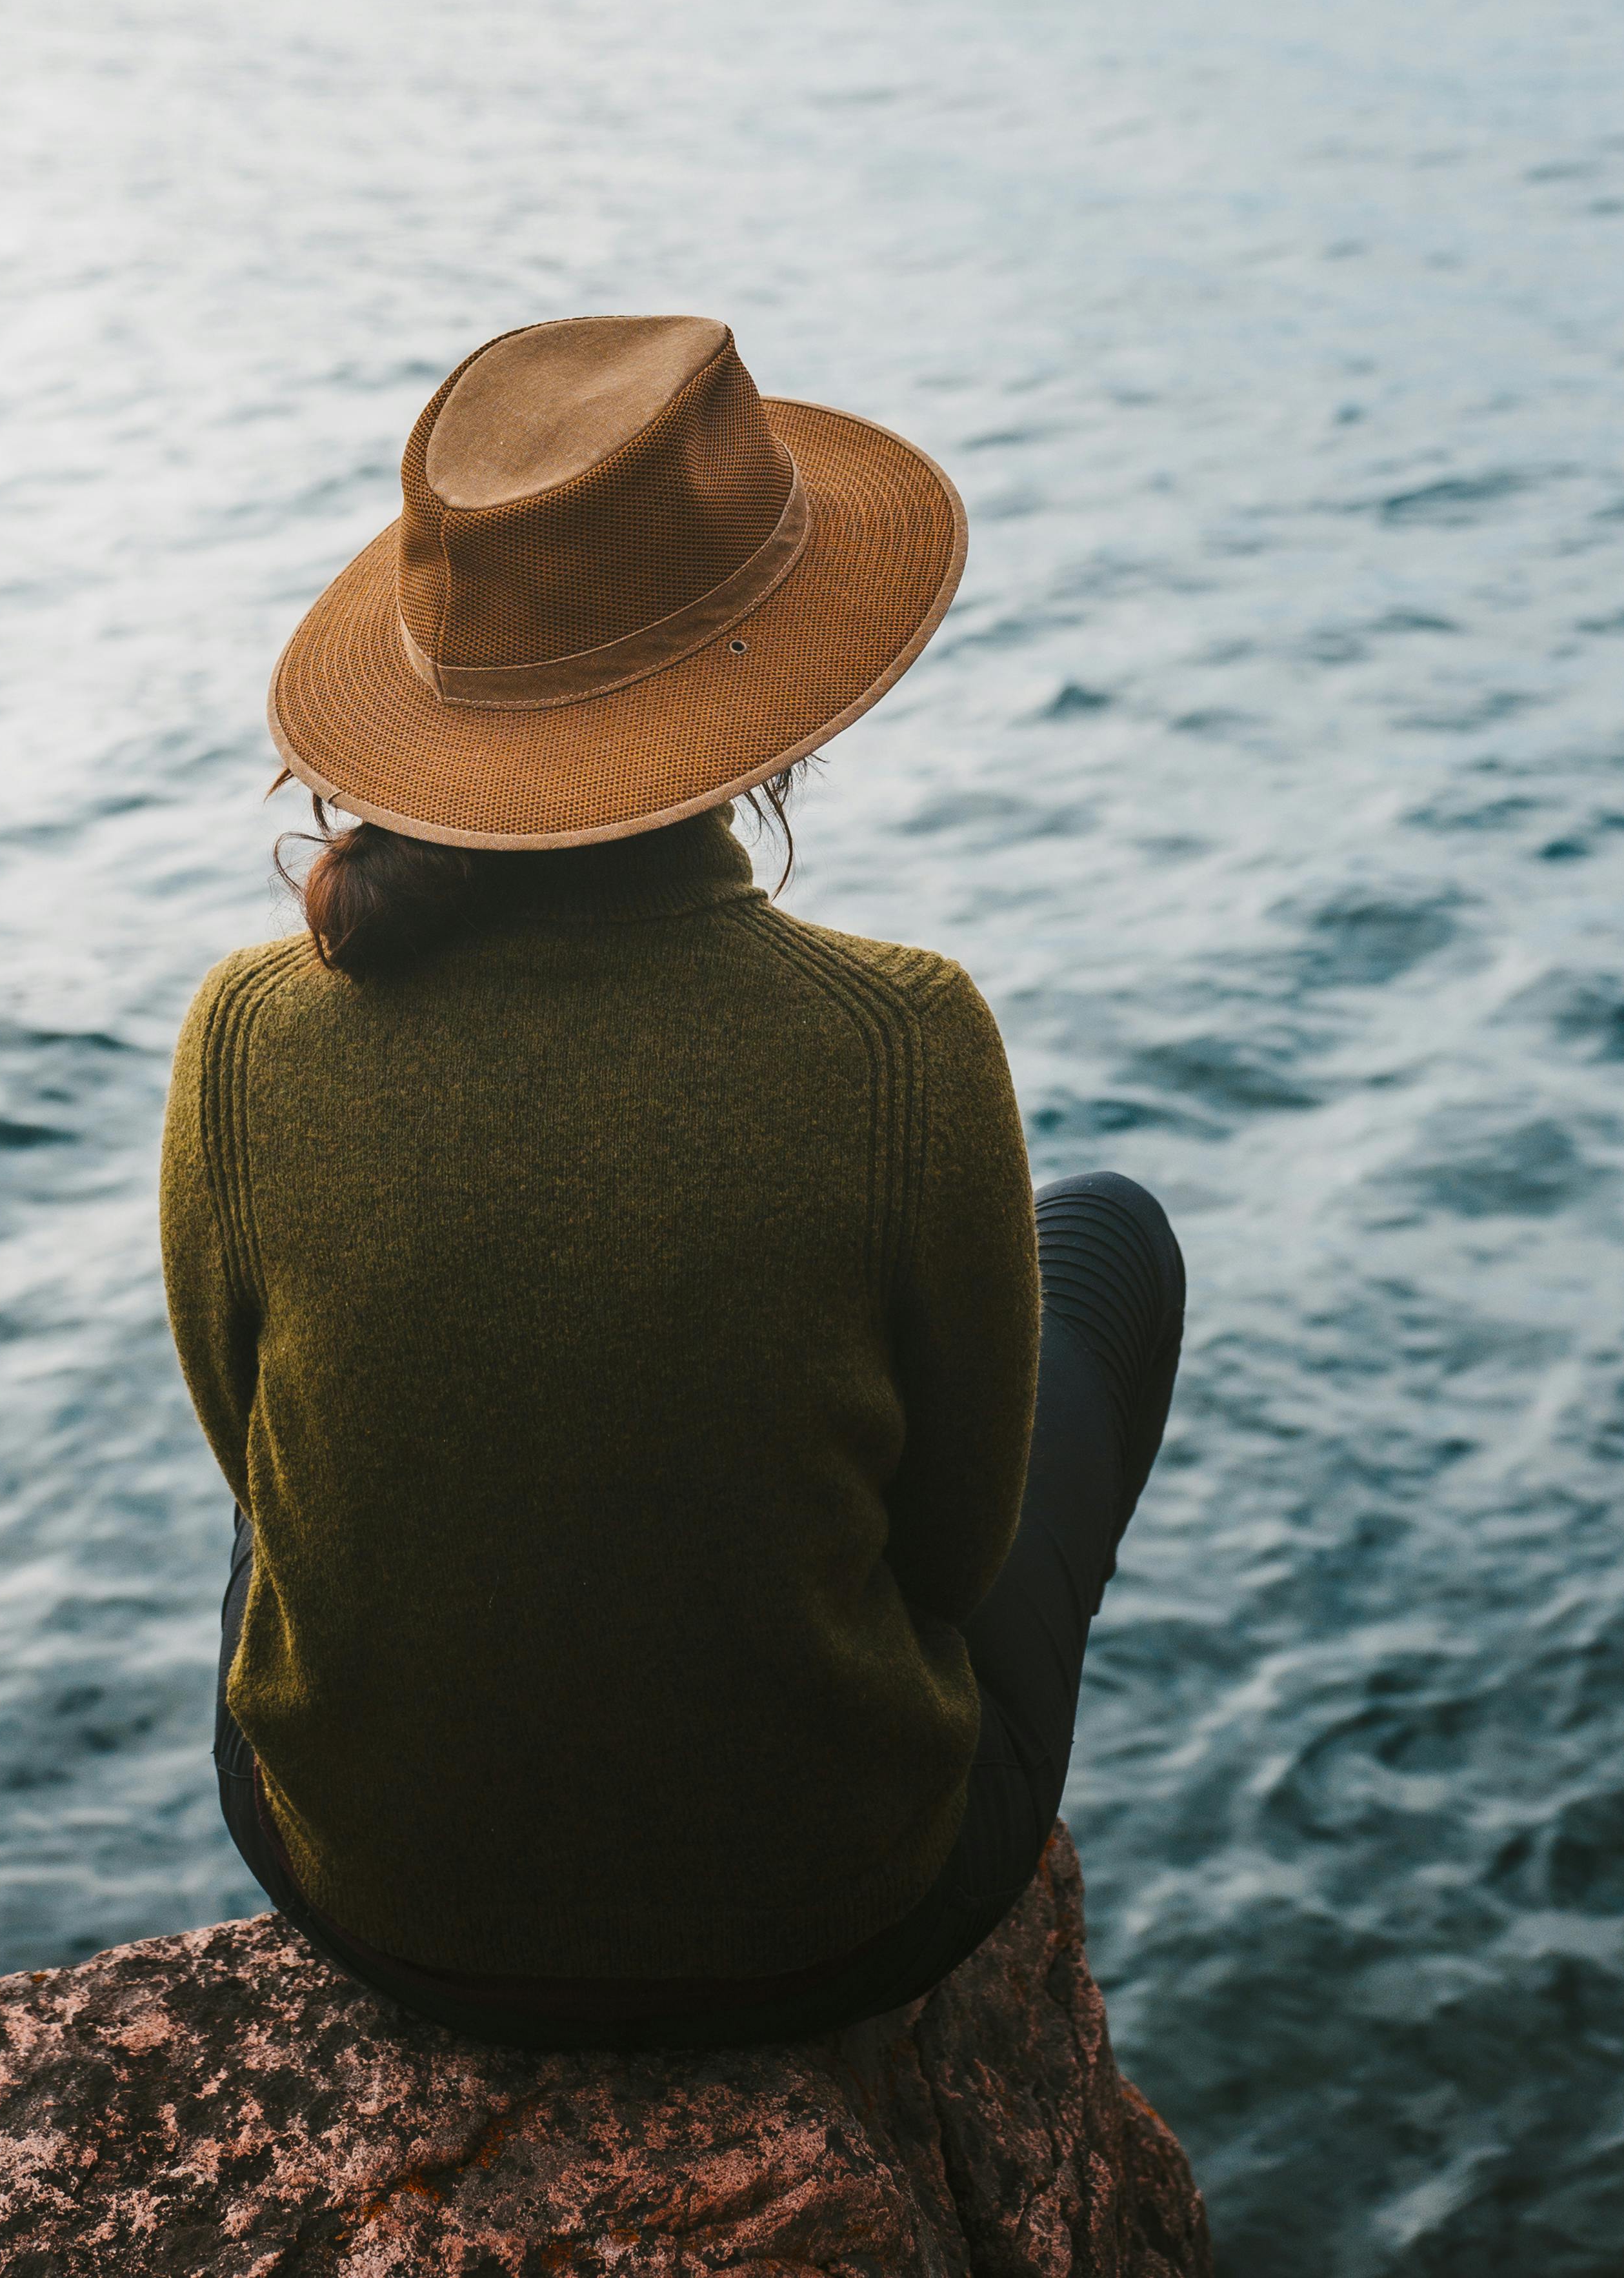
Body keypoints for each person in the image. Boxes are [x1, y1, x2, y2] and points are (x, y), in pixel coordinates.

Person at [159, 312, 1183, 2048]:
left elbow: (238, 1446)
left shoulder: (250, 1030)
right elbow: (947, 1554)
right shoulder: (903, 1044)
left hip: (364, 1892)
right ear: (768, 671)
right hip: (831, 1917)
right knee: (1111, 1243)